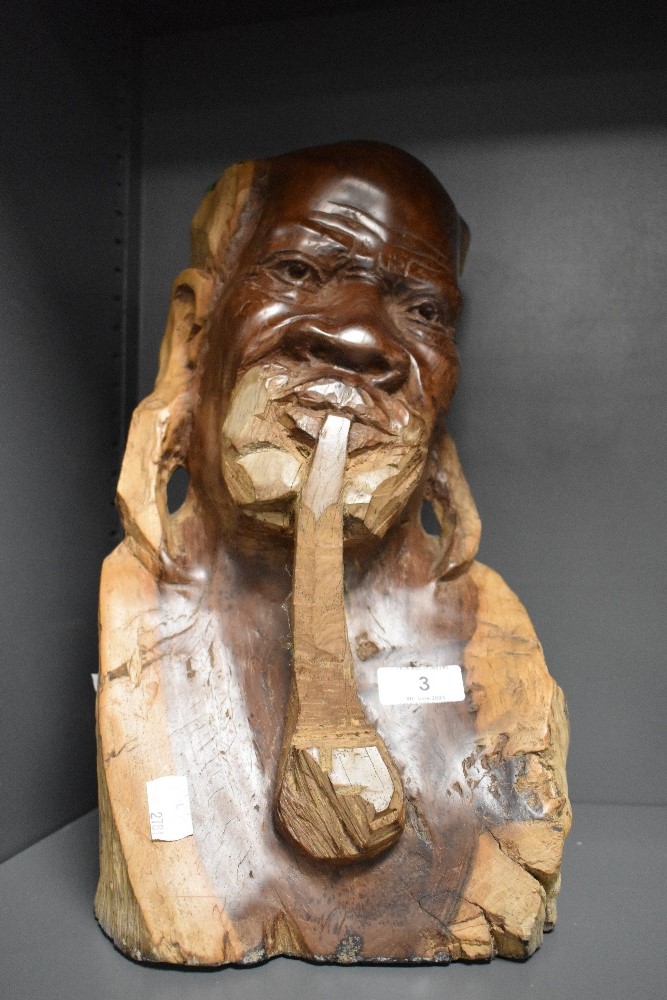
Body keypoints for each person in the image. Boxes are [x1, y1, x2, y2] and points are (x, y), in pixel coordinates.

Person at [96, 143, 570, 965]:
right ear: (194, 329)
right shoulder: (137, 609)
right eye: (297, 270)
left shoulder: (487, 638)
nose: (356, 337)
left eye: (422, 310)